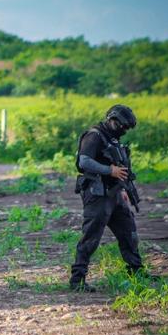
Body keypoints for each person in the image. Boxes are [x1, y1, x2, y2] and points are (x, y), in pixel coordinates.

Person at [71, 105, 142, 291]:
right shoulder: (94, 135)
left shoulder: (114, 139)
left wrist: (124, 190)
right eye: (122, 127)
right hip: (97, 195)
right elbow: (84, 161)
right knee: (91, 237)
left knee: (129, 233)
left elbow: (121, 168)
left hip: (116, 193)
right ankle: (77, 280)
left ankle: (136, 271)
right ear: (112, 120)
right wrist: (110, 170)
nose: (124, 131)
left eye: (126, 128)